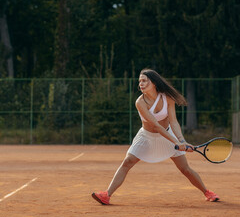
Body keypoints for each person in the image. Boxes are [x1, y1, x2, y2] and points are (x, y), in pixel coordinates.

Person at [92, 69, 219, 205]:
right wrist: (176, 142)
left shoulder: (167, 98)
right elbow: (157, 126)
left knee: (185, 169)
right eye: (139, 81)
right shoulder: (140, 102)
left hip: (167, 134)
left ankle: (207, 192)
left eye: (144, 80)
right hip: (146, 137)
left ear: (153, 83)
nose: (140, 83)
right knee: (127, 162)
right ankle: (107, 194)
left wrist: (182, 141)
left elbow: (173, 121)